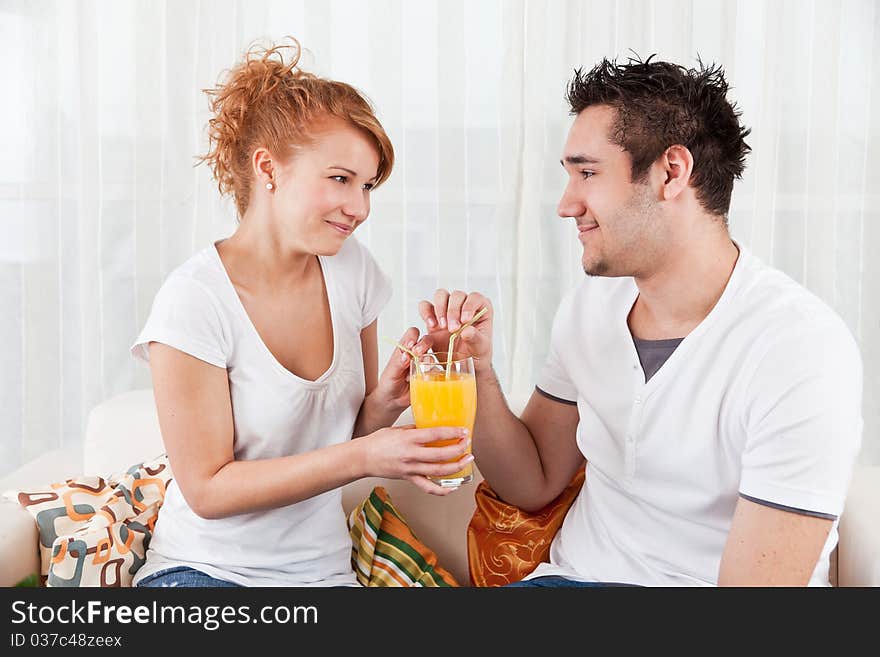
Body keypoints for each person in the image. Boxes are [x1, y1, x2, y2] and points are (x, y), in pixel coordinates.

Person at [417, 56, 863, 586]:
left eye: (587, 173)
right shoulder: (590, 309)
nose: (565, 204)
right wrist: (479, 375)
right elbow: (532, 482)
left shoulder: (798, 350)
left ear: (671, 172)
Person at [130, 39, 471, 588]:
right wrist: (366, 455)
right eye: (340, 179)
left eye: (366, 186)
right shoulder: (194, 300)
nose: (359, 208)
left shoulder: (352, 270)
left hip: (322, 576)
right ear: (269, 168)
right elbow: (209, 490)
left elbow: (346, 436)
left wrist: (382, 404)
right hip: (207, 574)